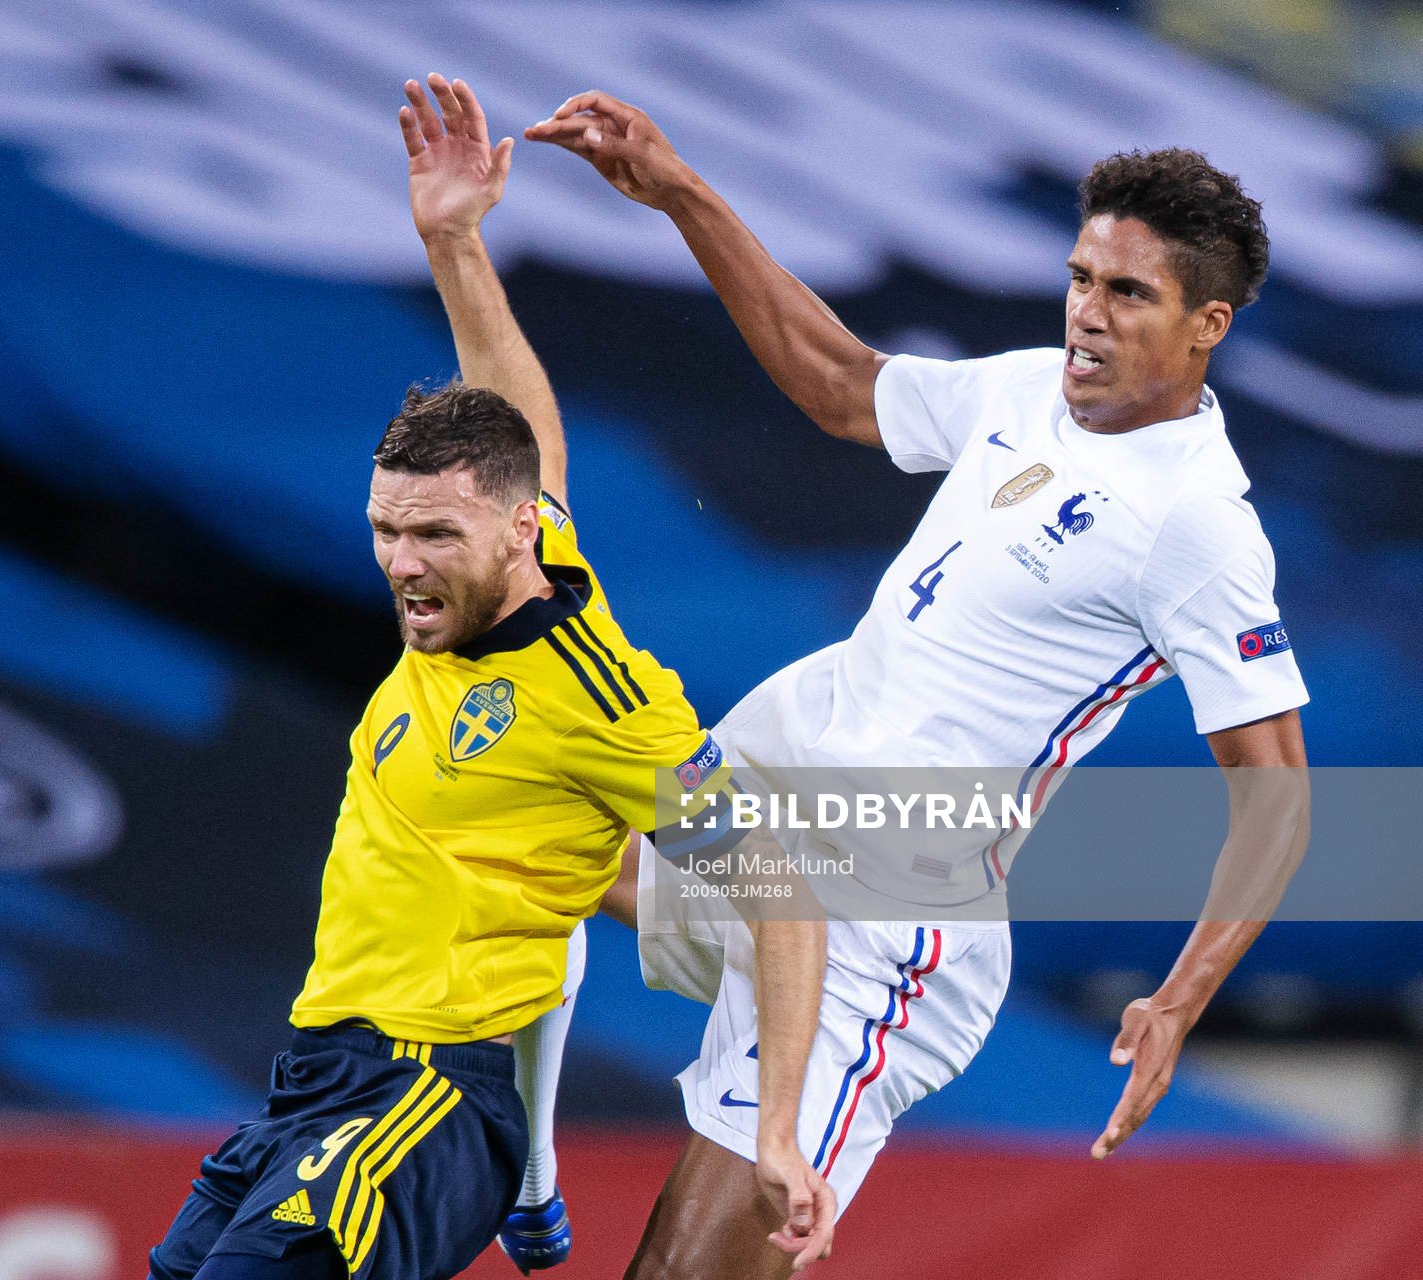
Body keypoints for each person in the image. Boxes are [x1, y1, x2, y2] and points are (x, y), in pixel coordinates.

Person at [523, 93, 1312, 1275]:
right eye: (1081, 277)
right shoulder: (1030, 388)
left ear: (1211, 323)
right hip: (780, 783)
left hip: (881, 910)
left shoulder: (1197, 524)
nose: (1087, 315)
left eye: (1128, 294)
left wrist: (1180, 996)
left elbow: (1282, 798)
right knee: (516, 820)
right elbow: (842, 384)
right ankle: (504, 1164)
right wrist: (680, 193)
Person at [147, 75, 833, 1280]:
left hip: (425, 1095)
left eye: (435, 540)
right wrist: (454, 237)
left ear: (516, 532)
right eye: (386, 530)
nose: (403, 569)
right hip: (315, 1083)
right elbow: (523, 418)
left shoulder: (608, 702)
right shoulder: (527, 555)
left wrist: (775, 1123)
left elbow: (781, 885)